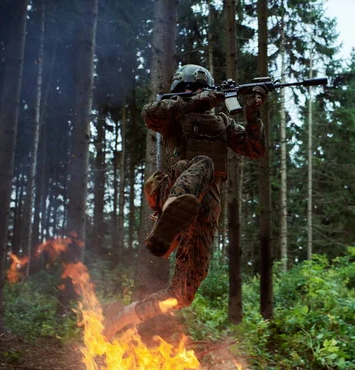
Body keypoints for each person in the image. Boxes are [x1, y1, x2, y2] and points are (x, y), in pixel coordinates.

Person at [103, 64, 267, 337]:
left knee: (183, 294)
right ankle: (169, 219)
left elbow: (255, 148)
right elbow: (150, 114)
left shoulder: (223, 122)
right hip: (174, 189)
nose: (199, 95)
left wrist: (252, 113)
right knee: (204, 163)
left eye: (200, 91)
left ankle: (125, 316)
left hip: (205, 206)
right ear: (183, 92)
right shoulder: (173, 116)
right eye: (191, 91)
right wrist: (197, 100)